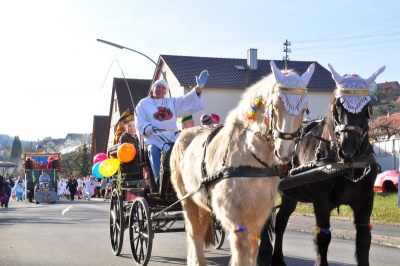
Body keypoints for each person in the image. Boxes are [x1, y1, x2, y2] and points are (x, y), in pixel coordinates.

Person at [136, 70, 208, 185]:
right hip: (153, 138)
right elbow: (139, 121)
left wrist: (198, 88)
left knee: (185, 147)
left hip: (171, 136)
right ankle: (158, 178)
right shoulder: (143, 103)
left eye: (163, 88)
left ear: (166, 91)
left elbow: (186, 100)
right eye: (158, 87)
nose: (160, 90)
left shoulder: (171, 102)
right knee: (153, 150)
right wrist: (147, 127)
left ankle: (187, 175)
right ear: (152, 89)